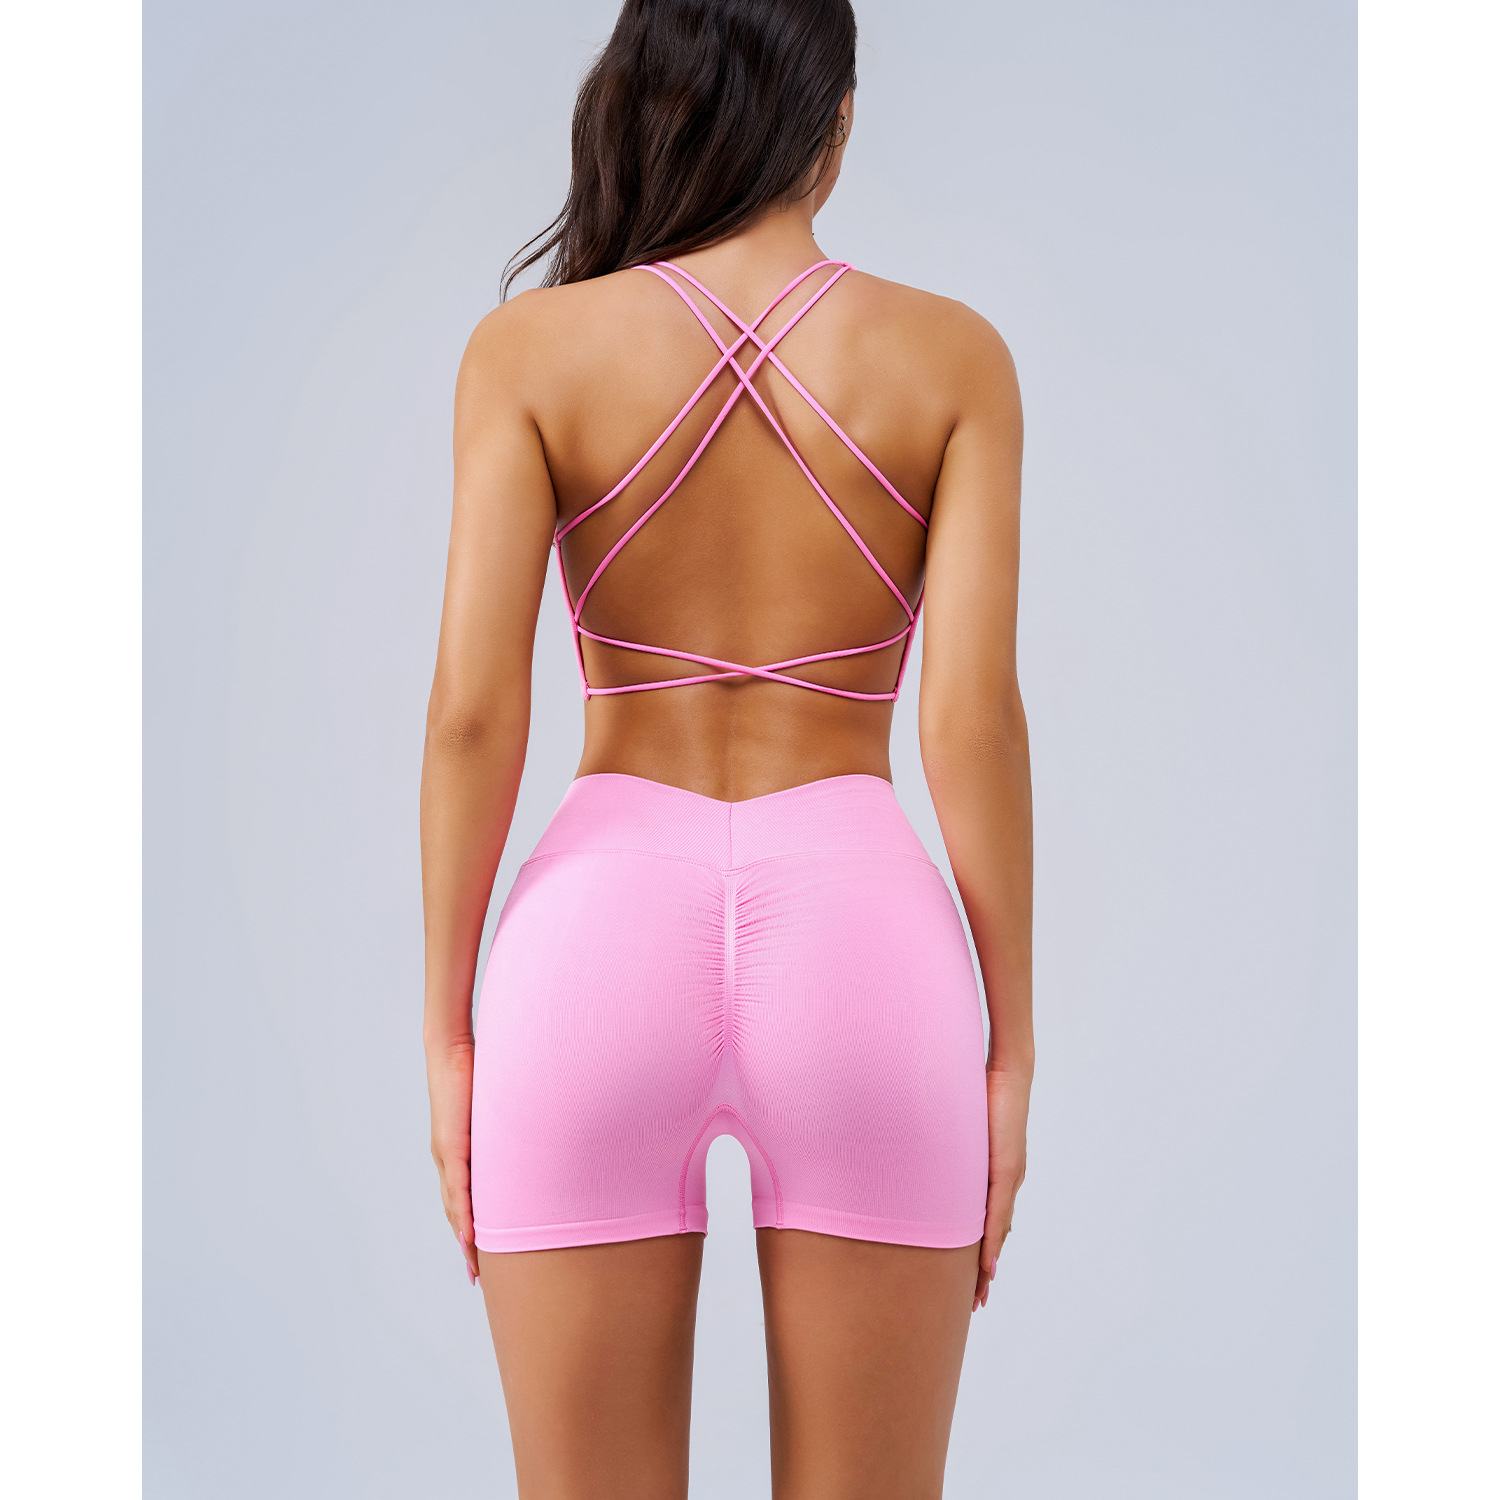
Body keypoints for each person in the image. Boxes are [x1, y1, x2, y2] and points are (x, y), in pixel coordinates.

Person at [419, 1, 1031, 1494]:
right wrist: (1010, 1048)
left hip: (594, 939)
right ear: (834, 122)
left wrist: (448, 1036)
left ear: (650, 100)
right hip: (866, 940)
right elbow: (966, 721)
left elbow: (473, 715)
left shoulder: (529, 353)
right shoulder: (953, 357)